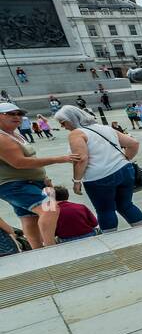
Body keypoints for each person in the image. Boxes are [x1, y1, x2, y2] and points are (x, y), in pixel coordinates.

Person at [0, 102, 83, 248]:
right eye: (11, 114)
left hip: (30, 182)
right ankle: (51, 247)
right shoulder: (2, 138)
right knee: (50, 208)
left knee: (29, 218)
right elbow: (19, 162)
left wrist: (43, 178)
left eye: (19, 114)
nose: (17, 117)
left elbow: (29, 160)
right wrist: (59, 159)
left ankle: (38, 250)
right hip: (15, 185)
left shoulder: (15, 134)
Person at [55, 105, 142, 234]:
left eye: (63, 122)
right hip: (124, 170)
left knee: (105, 210)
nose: (62, 126)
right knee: (126, 205)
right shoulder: (104, 128)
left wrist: (76, 181)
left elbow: (82, 159)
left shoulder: (76, 134)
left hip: (99, 178)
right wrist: (125, 160)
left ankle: (111, 239)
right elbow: (133, 143)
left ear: (71, 119)